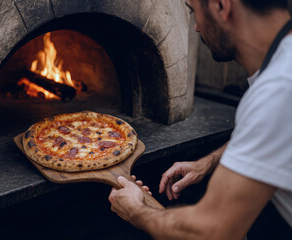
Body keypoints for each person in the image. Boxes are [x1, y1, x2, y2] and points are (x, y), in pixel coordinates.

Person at [108, 0, 292, 239]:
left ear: (221, 5)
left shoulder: (279, 89)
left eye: (194, 11)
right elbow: (273, 135)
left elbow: (211, 230)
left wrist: (135, 210)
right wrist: (210, 162)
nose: (196, 27)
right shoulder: (282, 69)